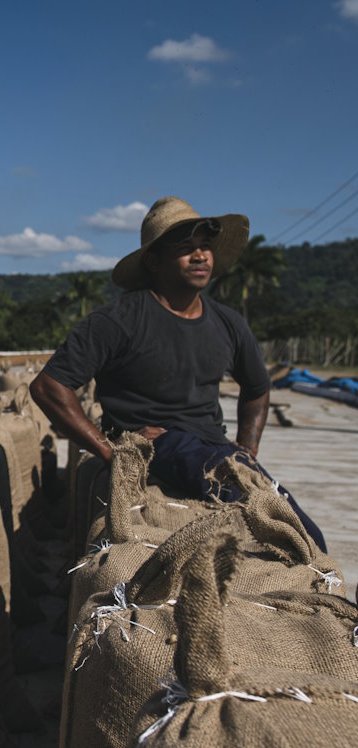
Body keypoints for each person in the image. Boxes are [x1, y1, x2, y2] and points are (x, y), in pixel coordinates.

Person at [30, 196, 326, 551]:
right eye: (186, 249)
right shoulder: (119, 320)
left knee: (307, 534)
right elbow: (49, 386)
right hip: (157, 443)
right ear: (153, 261)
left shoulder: (228, 323)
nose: (200, 256)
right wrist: (110, 451)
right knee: (200, 461)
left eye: (205, 247)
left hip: (212, 449)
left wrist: (248, 449)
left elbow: (258, 389)